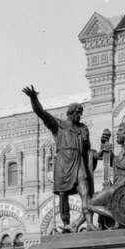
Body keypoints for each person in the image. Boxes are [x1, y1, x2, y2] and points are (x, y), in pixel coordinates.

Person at [22, 85, 96, 233]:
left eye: (81, 114)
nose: (80, 116)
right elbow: (40, 112)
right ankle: (67, 224)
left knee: (85, 190)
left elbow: (88, 149)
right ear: (71, 113)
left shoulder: (83, 128)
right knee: (63, 195)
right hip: (63, 162)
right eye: (78, 113)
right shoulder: (58, 125)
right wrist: (33, 98)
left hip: (79, 161)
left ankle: (89, 222)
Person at [85, 122, 125, 227]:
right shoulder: (124, 150)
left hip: (122, 186)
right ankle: (115, 218)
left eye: (120, 131)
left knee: (90, 204)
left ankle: (116, 217)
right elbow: (115, 161)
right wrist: (105, 144)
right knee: (95, 197)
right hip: (118, 185)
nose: (117, 134)